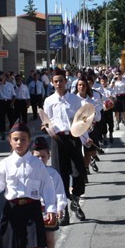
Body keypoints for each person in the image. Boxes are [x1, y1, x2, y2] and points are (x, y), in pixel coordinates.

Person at [43, 69, 88, 225]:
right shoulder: (49, 101)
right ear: (52, 83)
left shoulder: (75, 100)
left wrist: (86, 139)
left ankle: (75, 200)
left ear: (66, 81)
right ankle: (64, 211)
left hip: (73, 138)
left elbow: (81, 122)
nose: (58, 84)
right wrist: (46, 127)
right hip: (57, 140)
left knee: (79, 172)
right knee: (60, 176)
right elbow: (47, 120)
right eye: (55, 81)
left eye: (61, 80)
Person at [31, 136, 68, 248]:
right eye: (37, 156)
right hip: (34, 210)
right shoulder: (29, 173)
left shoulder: (53, 174)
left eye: (43, 156)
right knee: (36, 238)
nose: (41, 159)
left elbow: (59, 192)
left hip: (49, 210)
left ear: (48, 156)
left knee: (49, 237)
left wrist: (60, 207)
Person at [0, 73, 16, 137]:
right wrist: (0, 83)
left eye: (3, 77)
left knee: (11, 117)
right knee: (2, 118)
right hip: (2, 102)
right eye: (1, 77)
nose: (2, 78)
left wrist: (12, 103)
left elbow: (14, 95)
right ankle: (2, 132)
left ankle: (12, 131)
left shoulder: (10, 85)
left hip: (9, 102)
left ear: (5, 77)